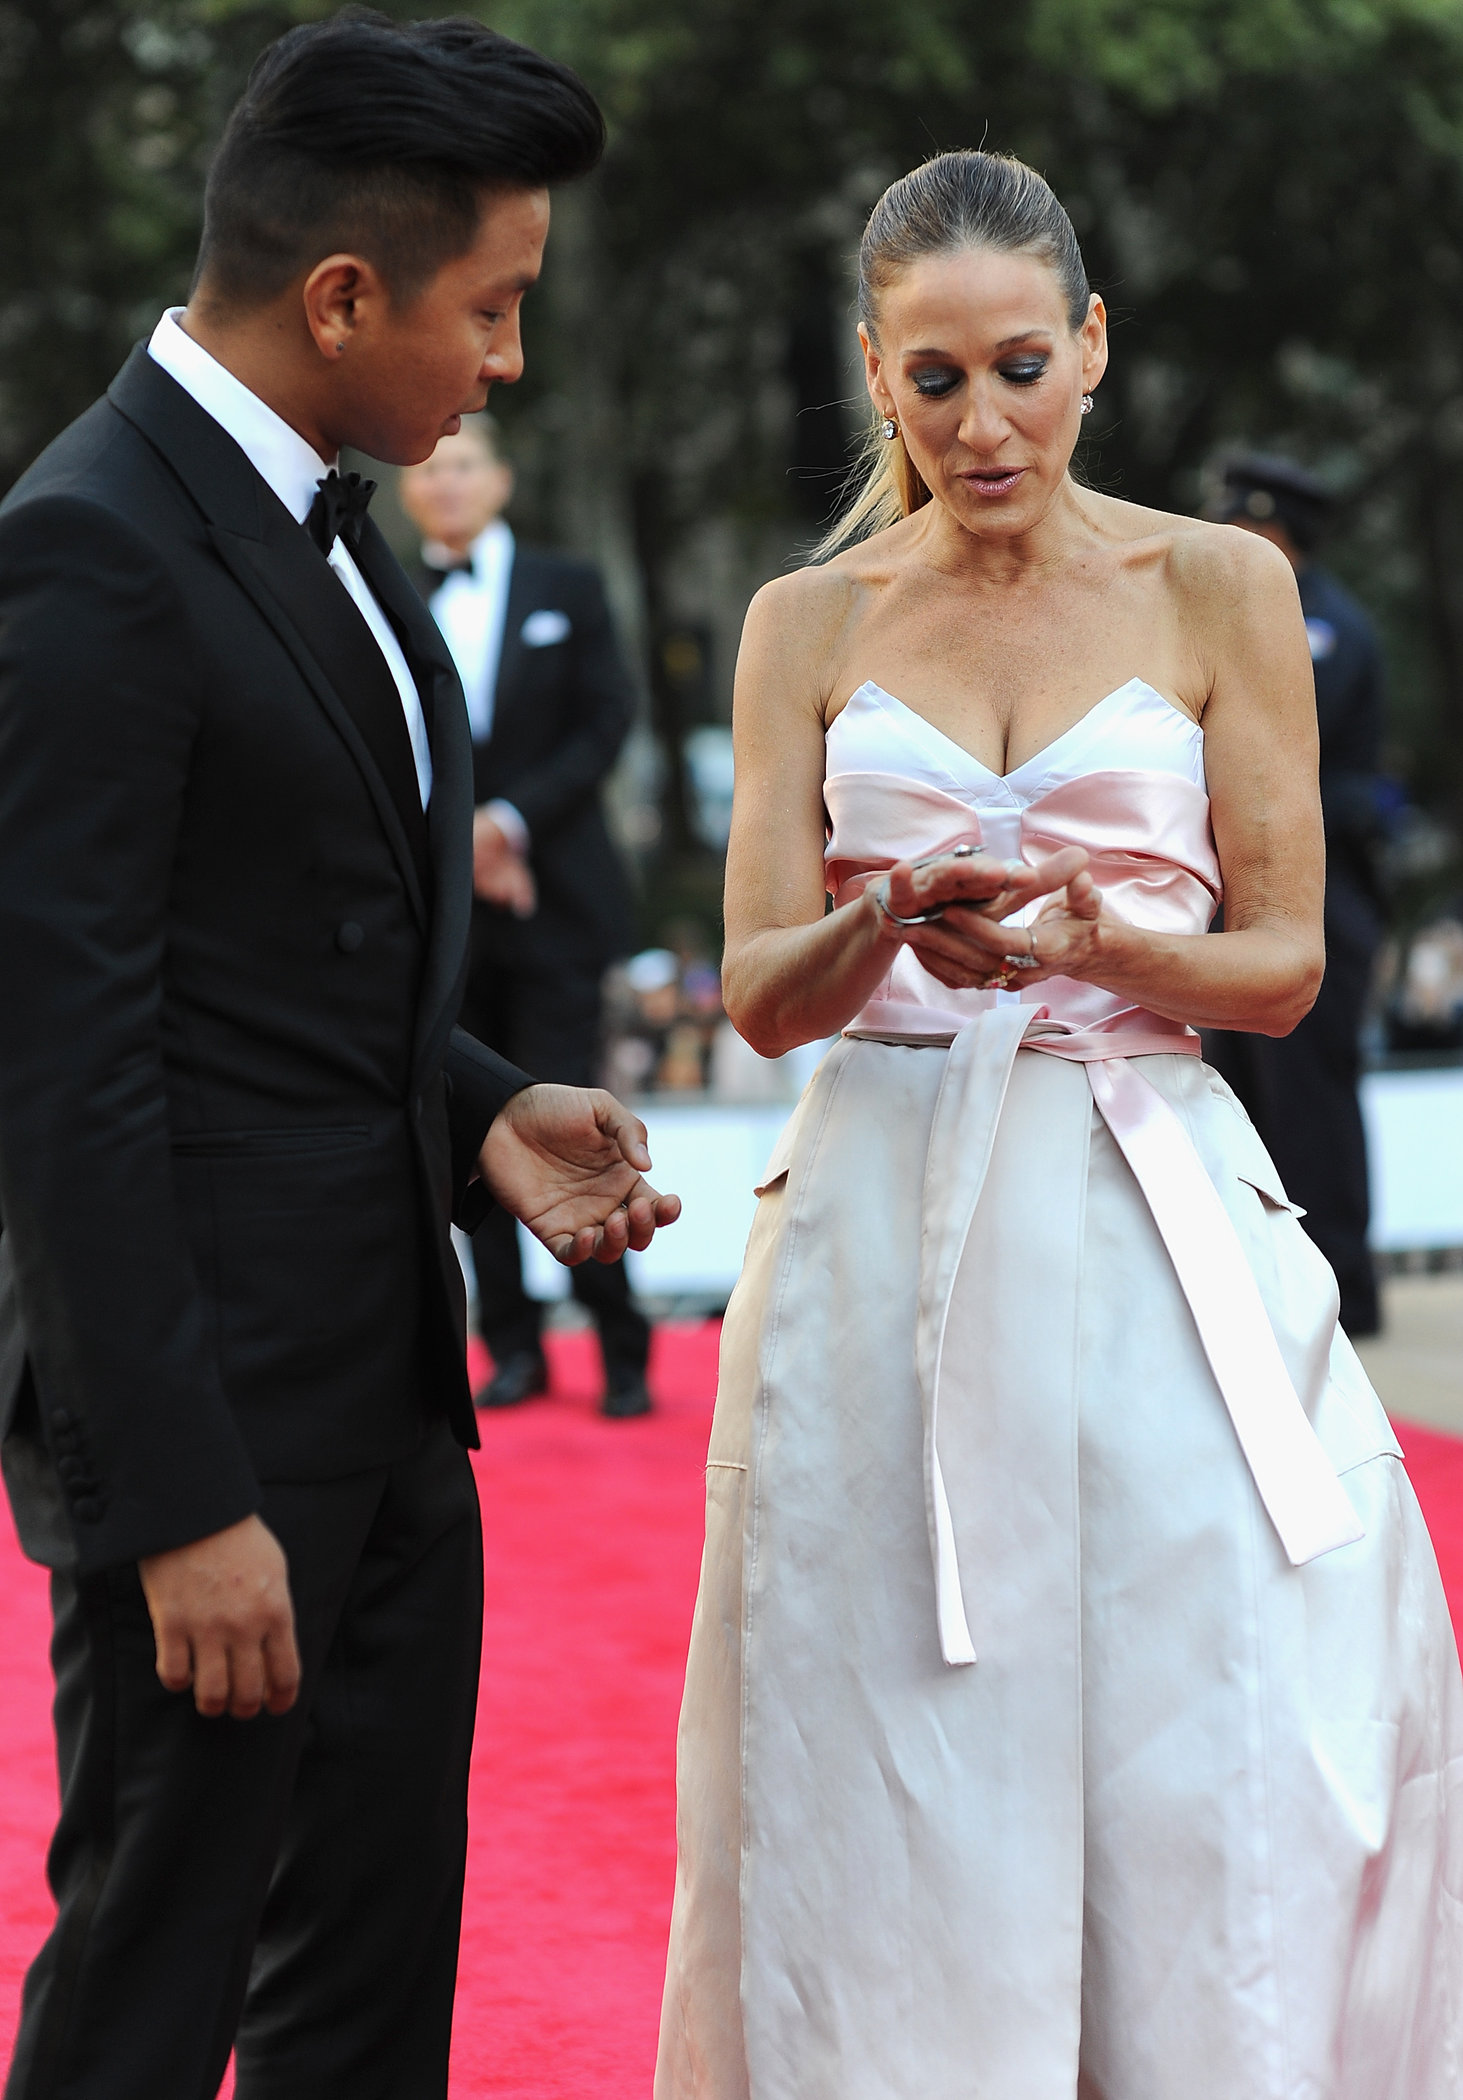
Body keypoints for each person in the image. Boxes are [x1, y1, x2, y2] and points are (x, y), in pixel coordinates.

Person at [656, 151, 1463, 2099]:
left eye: (1016, 365)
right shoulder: (800, 618)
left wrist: (1112, 940)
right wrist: (872, 922)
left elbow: (1274, 964)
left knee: (1221, 1715)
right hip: (870, 1211)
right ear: (872, 372)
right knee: (882, 1731)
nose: (978, 422)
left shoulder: (1213, 581)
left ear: (1088, 346)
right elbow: (756, 988)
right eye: (929, 381)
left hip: (1143, 1204)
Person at [0, 17, 679, 2099]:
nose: (503, 365)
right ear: (340, 296)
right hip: (215, 1441)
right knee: (153, 1978)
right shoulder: (91, 546)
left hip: (389, 1401)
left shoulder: (328, 509)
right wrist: (181, 1502)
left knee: (366, 1991)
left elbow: (288, 946)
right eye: (491, 310)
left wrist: (481, 1112)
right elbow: (62, 1060)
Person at [400, 421, 652, 1416]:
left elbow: (606, 720)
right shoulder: (377, 592)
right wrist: (454, 849)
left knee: (575, 1113)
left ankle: (620, 1346)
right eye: (429, 467)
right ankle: (509, 1347)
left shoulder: (567, 588)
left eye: (464, 464)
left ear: (499, 478)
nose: (448, 483)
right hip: (442, 911)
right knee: (469, 1120)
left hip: (553, 901)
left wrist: (505, 826)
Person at [1204, 453, 1386, 1336]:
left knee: (1308, 1089)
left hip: (1320, 888)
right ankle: (1265, 1277)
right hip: (1242, 888)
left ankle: (1337, 1281)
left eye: (1249, 526)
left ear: (1280, 536)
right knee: (1235, 1086)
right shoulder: (1244, 617)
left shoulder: (1322, 630)